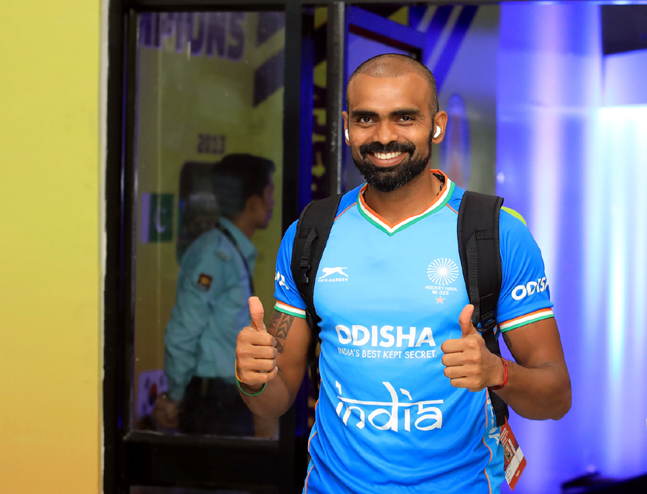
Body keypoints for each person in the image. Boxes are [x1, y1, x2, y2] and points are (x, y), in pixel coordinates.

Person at [235, 54, 571, 492]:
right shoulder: (311, 234)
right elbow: (273, 402)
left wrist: (497, 373)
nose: (384, 136)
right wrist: (252, 379)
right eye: (366, 119)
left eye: (405, 117)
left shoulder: (495, 234)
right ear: (346, 127)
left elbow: (556, 396)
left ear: (437, 125)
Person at [156, 153, 276, 436]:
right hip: (213, 404)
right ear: (254, 202)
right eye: (269, 194)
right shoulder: (216, 255)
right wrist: (176, 396)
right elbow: (183, 331)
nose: (272, 203)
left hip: (228, 399)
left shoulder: (231, 251)